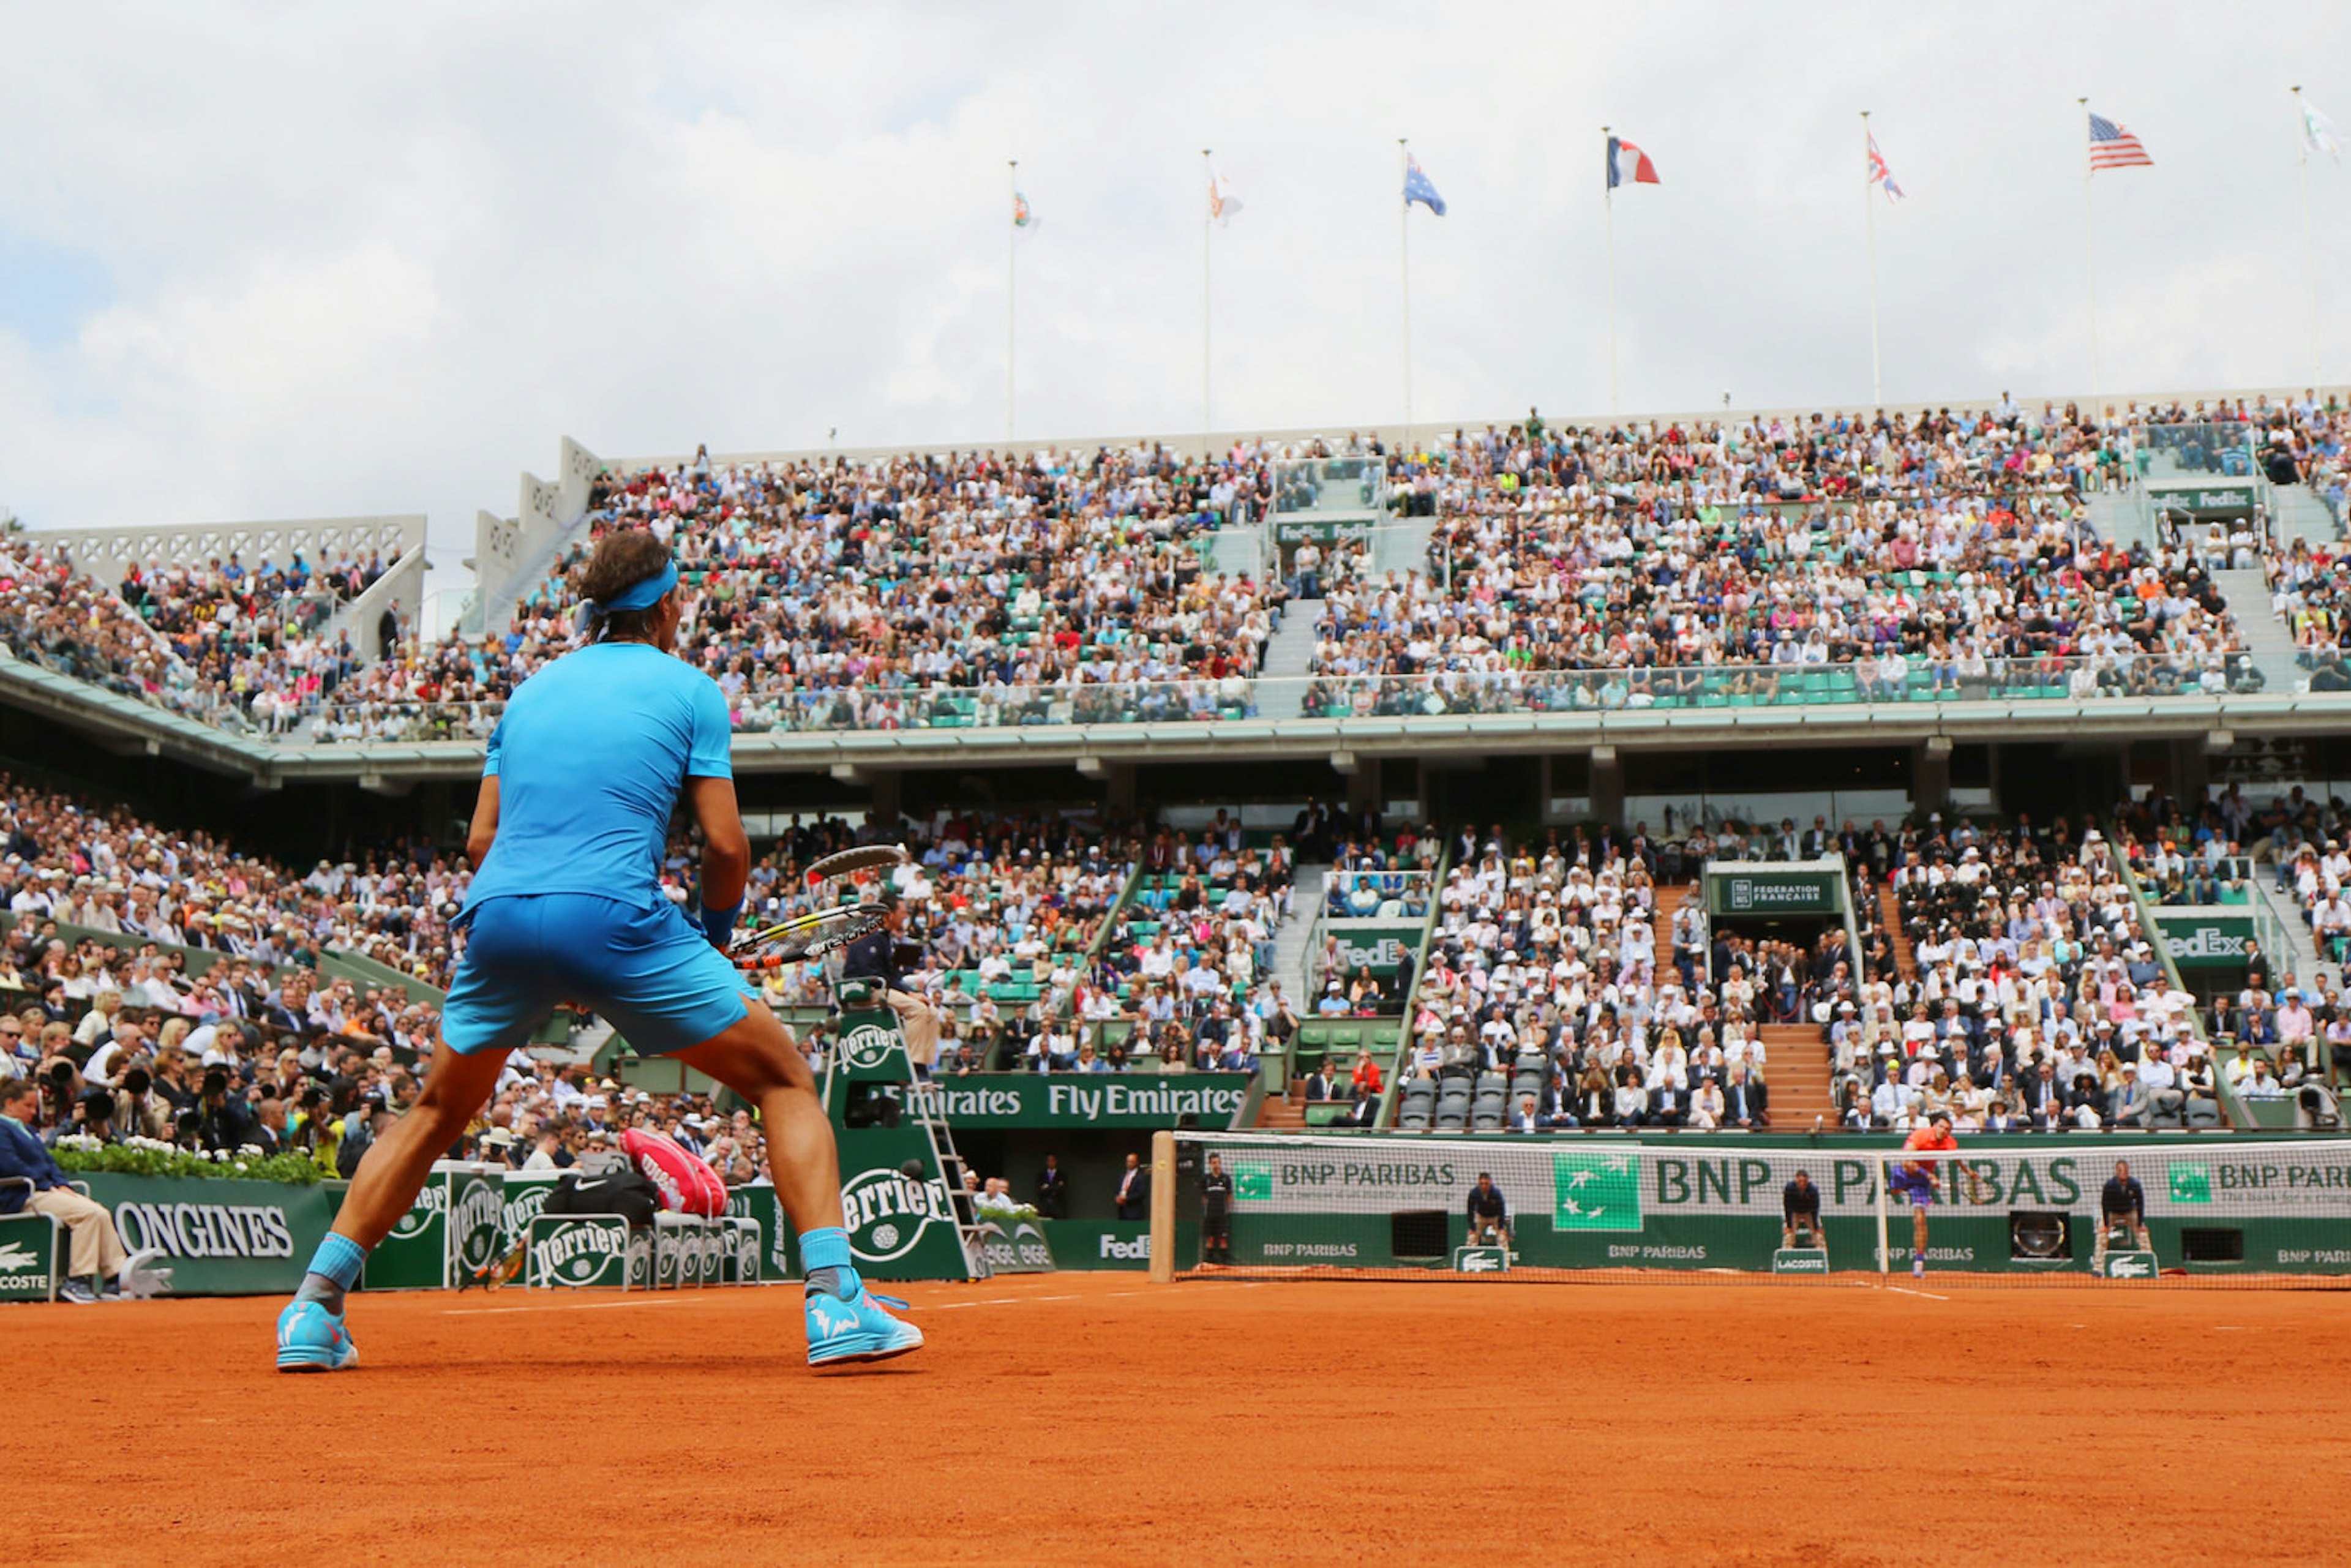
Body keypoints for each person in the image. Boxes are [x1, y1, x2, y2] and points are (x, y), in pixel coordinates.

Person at [271, 531, 918, 1372]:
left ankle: (313, 1312)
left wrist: (552, 949)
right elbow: (726, 848)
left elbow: (480, 841)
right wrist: (712, 937)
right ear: (669, 604)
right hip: (615, 917)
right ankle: (837, 1304)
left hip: (503, 915)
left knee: (435, 1111)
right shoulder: (691, 689)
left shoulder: (530, 693)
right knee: (784, 1079)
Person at [0, 1077, 130, 1300]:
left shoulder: (29, 1130)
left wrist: (62, 1184)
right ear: (10, 1103)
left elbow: (50, 1163)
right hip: (19, 1195)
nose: (33, 1112)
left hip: (42, 1191)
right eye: (28, 1106)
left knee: (100, 1212)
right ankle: (77, 1281)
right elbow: (10, 1165)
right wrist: (49, 1186)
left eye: (35, 1106)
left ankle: (115, 1278)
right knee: (87, 1214)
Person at [839, 891, 942, 1077]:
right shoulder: (867, 935)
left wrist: (909, 992)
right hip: (862, 991)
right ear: (890, 915)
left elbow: (891, 976)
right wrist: (908, 995)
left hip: (881, 988)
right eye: (903, 913)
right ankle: (910, 1065)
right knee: (917, 1010)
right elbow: (871, 974)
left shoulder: (886, 938)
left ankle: (923, 1064)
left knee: (932, 1011)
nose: (905, 916)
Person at [1892, 1110, 1958, 1279]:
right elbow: (1906, 1161)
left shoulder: (1950, 1142)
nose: (1944, 1131)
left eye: (1947, 1129)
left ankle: (1919, 1265)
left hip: (1921, 1182)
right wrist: (1929, 1175)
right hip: (1904, 1173)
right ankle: (1898, 1188)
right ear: (1935, 1126)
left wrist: (1969, 1172)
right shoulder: (1920, 1135)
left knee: (1920, 1220)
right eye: (1941, 1127)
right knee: (1895, 1187)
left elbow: (1958, 1159)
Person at [2096, 1158, 2153, 1265]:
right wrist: (2106, 1224)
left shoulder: (2135, 1184)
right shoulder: (2110, 1185)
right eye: (2120, 1170)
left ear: (2128, 1171)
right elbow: (2105, 1204)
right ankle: (2099, 1266)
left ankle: (2148, 1262)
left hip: (2130, 1212)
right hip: (2113, 1213)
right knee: (2101, 1236)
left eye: (2125, 1170)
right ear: (2117, 1172)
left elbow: (2140, 1203)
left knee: (2143, 1234)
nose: (2123, 1172)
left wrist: (2140, 1224)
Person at [1199, 1151, 1234, 1265]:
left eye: (1218, 1162)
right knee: (1210, 1238)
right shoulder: (1206, 1179)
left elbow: (1230, 1195)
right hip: (1210, 1214)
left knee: (1223, 1238)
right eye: (1214, 1163)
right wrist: (1208, 1208)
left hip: (1222, 1213)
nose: (1217, 1165)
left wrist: (1226, 1209)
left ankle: (1224, 1261)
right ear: (1210, 1164)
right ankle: (1209, 1260)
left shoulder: (1226, 1179)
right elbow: (1204, 1196)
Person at [1781, 1168, 1824, 1256]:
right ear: (1796, 1179)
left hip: (1809, 1213)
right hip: (1794, 1212)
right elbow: (1787, 1206)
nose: (1802, 1183)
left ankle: (1822, 1255)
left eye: (1804, 1181)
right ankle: (1786, 1256)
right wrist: (1789, 1225)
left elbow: (1815, 1209)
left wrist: (1816, 1227)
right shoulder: (1789, 1188)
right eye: (1800, 1181)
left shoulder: (1813, 1190)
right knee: (1789, 1235)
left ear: (1807, 1180)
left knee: (1819, 1235)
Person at [1466, 1171, 1510, 1249]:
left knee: (1502, 1238)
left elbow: (1501, 1210)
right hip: (1481, 1216)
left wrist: (1501, 1227)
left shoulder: (1496, 1193)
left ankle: (1505, 1259)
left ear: (1490, 1183)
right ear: (1479, 1183)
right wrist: (1472, 1228)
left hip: (1495, 1217)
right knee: (1472, 1238)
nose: (1484, 1186)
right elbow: (1470, 1210)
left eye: (1486, 1184)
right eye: (1482, 1184)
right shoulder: (1474, 1193)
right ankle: (1471, 1256)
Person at [1114, 1150, 1150, 1220]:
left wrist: (1127, 1198)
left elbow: (1141, 1193)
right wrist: (1117, 1198)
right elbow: (1118, 1190)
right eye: (1128, 1161)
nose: (1129, 1164)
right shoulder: (1123, 1176)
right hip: (1122, 1211)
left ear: (1136, 1162)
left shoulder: (1141, 1177)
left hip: (1135, 1212)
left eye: (1132, 1162)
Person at [1034, 1153, 1068, 1219]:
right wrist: (1055, 1187)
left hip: (1058, 1207)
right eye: (1049, 1161)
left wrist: (1047, 1187)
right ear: (1047, 1162)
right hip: (1044, 1208)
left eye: (1052, 1161)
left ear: (1056, 1162)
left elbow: (1062, 1189)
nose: (1051, 1163)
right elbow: (1038, 1190)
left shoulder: (1062, 1175)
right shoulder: (1041, 1175)